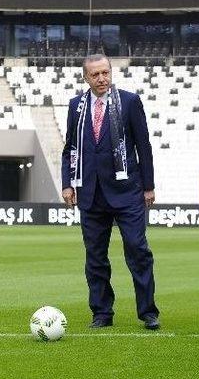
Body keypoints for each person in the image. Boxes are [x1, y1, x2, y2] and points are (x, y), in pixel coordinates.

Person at [60, 53, 160, 330]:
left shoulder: (129, 101)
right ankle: (101, 313)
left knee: (138, 250)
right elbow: (70, 148)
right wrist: (68, 182)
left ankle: (148, 312)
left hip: (128, 191)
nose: (102, 78)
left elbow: (144, 146)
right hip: (90, 193)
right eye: (96, 74)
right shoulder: (76, 106)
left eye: (105, 73)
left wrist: (148, 186)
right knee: (95, 257)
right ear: (86, 77)